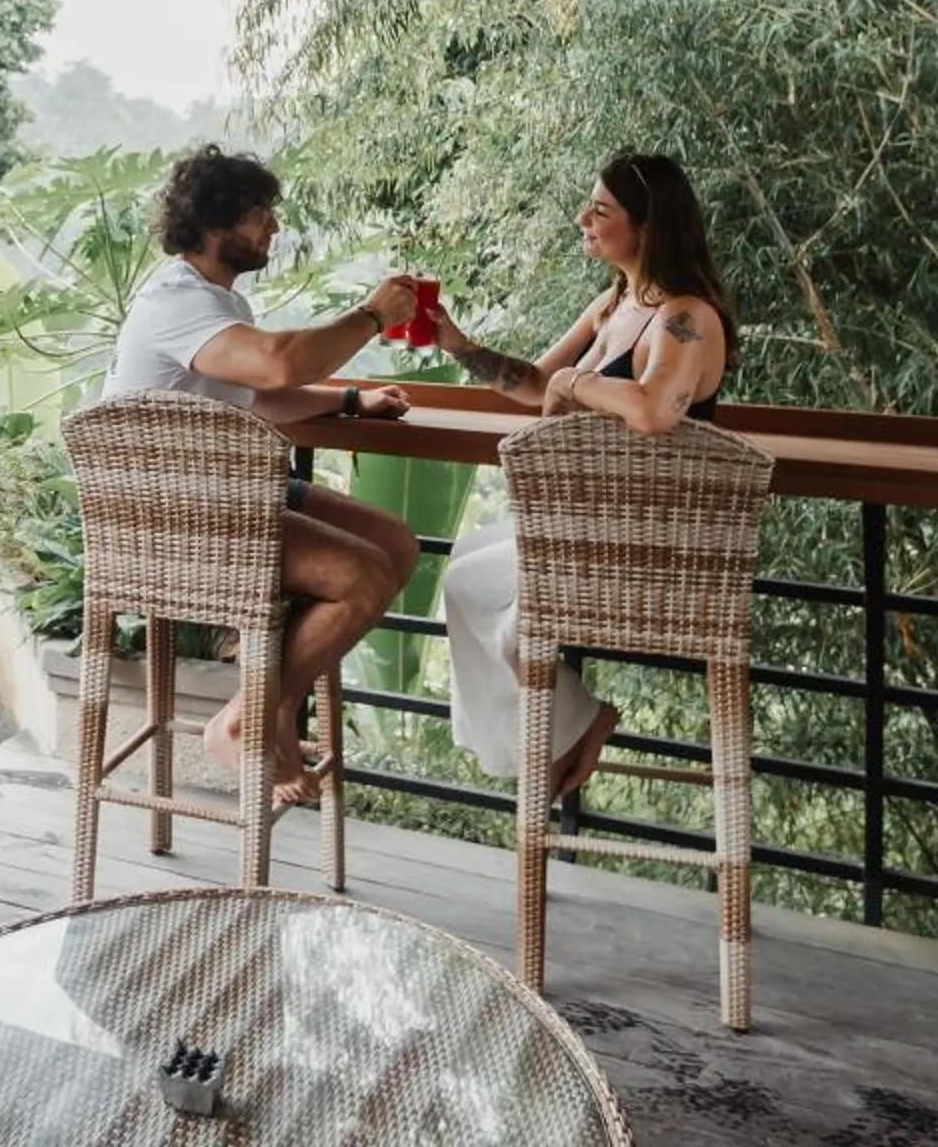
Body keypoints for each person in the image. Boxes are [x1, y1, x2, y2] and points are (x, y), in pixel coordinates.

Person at [103, 145, 425, 805]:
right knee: (359, 576)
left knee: (396, 545)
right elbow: (277, 364)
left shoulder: (213, 305)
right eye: (261, 214)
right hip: (177, 518)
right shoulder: (176, 302)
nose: (273, 228)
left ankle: (270, 700)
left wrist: (347, 402)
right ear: (217, 221)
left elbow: (261, 393)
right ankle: (249, 714)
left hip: (226, 496)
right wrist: (372, 316)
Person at [429, 152, 738, 795]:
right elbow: (536, 382)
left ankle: (569, 733)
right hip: (586, 523)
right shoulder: (617, 302)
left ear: (647, 228)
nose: (582, 220)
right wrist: (459, 345)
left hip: (646, 539)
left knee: (503, 614)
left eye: (600, 211)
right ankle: (574, 726)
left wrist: (578, 381)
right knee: (463, 579)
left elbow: (653, 410)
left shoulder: (688, 319)